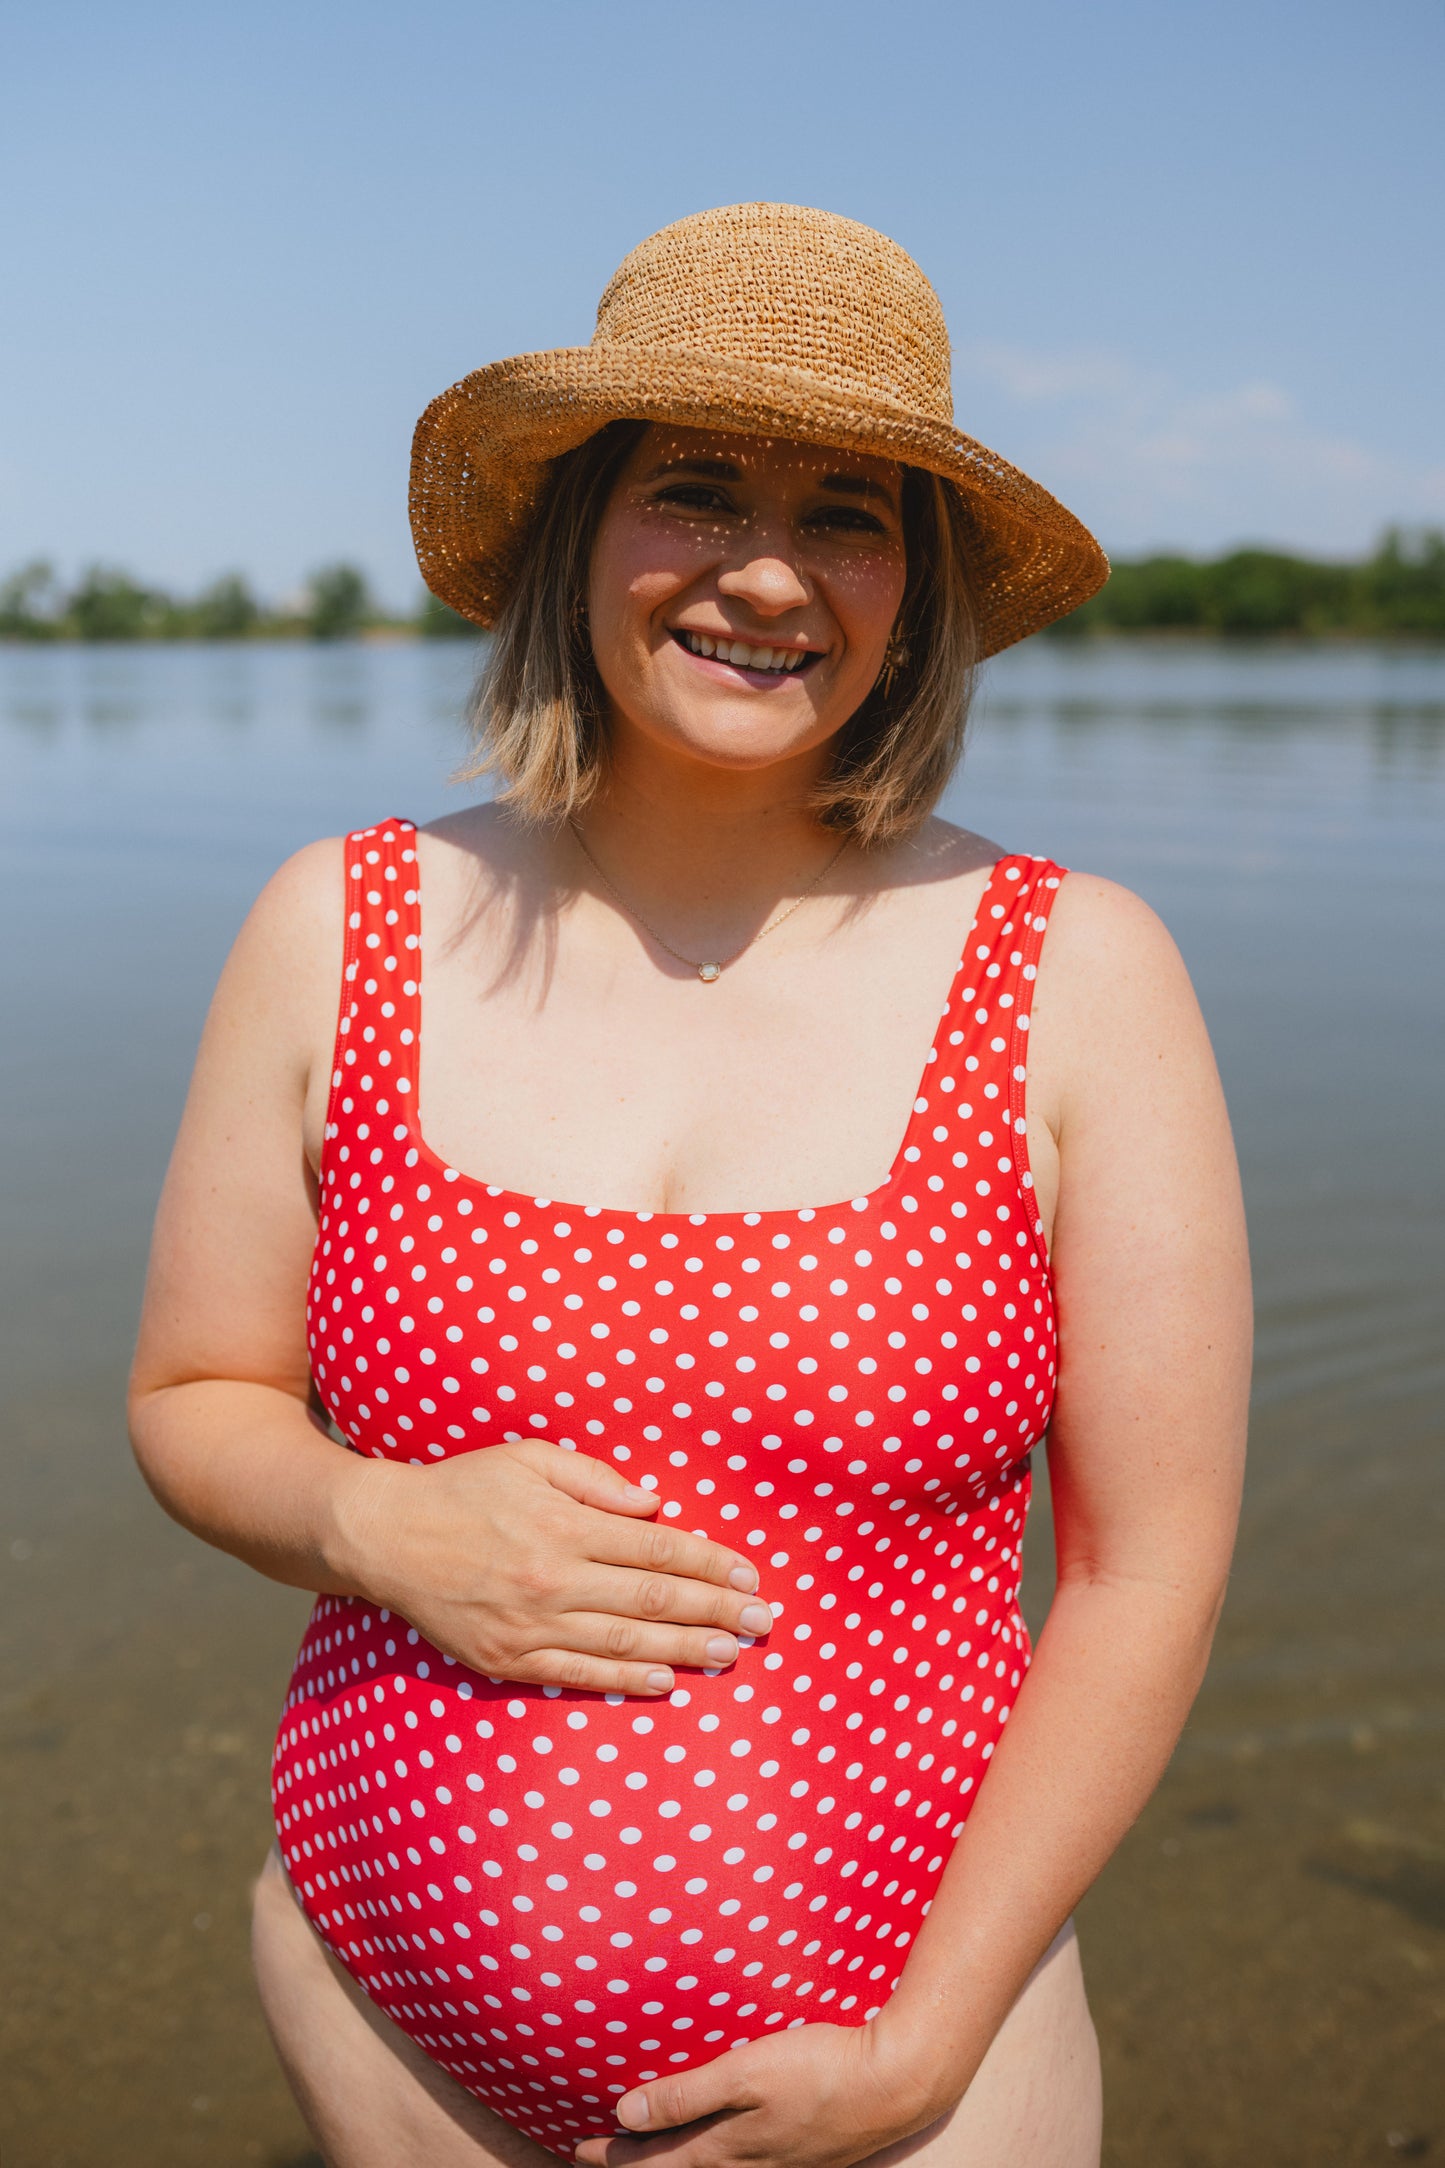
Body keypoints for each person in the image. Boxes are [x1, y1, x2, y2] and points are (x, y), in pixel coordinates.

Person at [128, 203, 1250, 2168]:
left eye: (848, 514)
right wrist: (375, 1518)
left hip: (920, 2086)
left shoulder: (1080, 972)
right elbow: (192, 1396)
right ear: (578, 540)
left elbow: (1145, 1575)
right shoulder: (342, 926)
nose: (763, 571)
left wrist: (925, 2037)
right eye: (699, 489)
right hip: (393, 2047)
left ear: (918, 586)